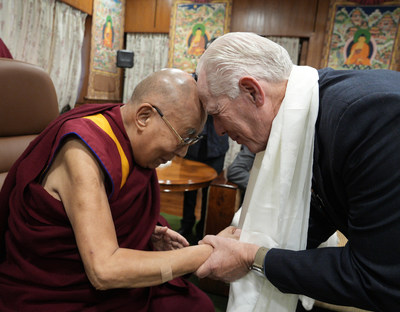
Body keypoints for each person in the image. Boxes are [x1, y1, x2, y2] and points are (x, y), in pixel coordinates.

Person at [194, 32, 400, 312]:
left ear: (252, 92)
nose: (217, 130)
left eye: (216, 112)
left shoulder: (369, 117)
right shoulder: (315, 107)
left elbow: (376, 277)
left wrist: (253, 257)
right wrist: (250, 237)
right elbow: (326, 205)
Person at [0, 68, 215, 311]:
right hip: (55, 289)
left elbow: (114, 206)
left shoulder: (132, 138)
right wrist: (202, 254)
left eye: (193, 140)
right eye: (184, 137)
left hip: (101, 274)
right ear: (144, 116)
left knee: (196, 305)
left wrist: (145, 232)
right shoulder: (83, 150)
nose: (182, 152)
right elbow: (104, 271)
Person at [178, 114, 229, 241]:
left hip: (216, 146)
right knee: (189, 190)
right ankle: (186, 225)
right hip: (193, 144)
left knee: (209, 193)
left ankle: (203, 229)